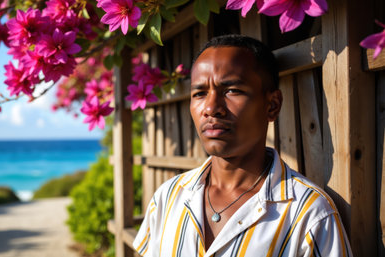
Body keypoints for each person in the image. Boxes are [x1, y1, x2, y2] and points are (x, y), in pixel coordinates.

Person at [133, 34, 352, 257]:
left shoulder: (309, 214)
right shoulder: (168, 197)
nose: (211, 108)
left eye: (232, 91)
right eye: (199, 93)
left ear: (272, 105)